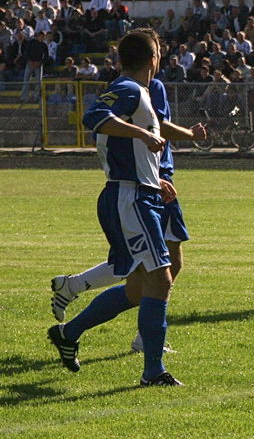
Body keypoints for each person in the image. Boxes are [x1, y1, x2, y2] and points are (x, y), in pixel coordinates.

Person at [46, 29, 182, 386]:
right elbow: (93, 116)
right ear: (154, 59)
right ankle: (153, 371)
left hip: (141, 194)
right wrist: (144, 134)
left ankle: (68, 334)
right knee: (161, 280)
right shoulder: (129, 89)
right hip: (130, 198)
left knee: (139, 288)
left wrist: (157, 179)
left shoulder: (139, 93)